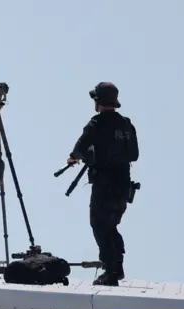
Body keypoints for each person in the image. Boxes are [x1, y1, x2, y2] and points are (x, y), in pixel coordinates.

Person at [67, 82, 139, 286]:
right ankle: (117, 266)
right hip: (123, 185)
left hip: (104, 185)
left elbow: (80, 147)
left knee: (100, 225)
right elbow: (134, 154)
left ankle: (111, 272)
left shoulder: (96, 123)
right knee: (111, 225)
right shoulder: (126, 124)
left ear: (98, 101)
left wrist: (74, 158)